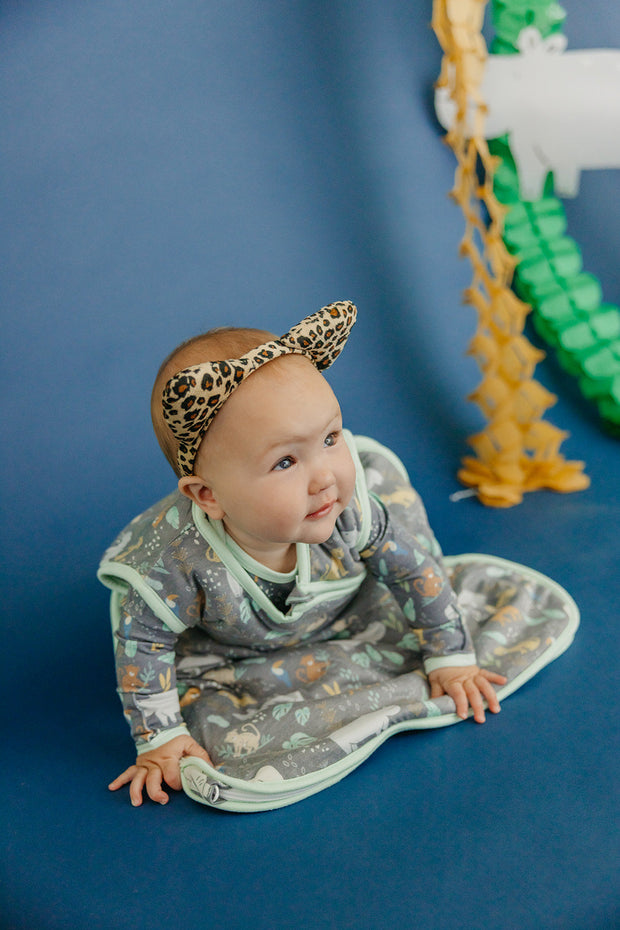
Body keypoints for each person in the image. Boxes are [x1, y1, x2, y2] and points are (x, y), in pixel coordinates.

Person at [100, 301, 506, 807]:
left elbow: (414, 570)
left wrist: (450, 656)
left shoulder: (346, 509)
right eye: (285, 461)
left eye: (331, 438)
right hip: (235, 639)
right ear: (208, 496)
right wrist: (158, 737)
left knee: (402, 531)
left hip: (340, 598)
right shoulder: (178, 565)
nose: (325, 477)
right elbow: (143, 643)